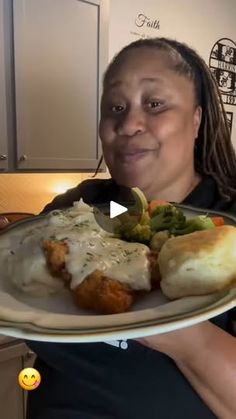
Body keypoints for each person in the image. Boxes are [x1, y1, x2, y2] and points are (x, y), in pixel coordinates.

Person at [26, 37, 236, 419]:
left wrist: (185, 336)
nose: (128, 124)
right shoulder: (81, 207)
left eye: (154, 104)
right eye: (115, 107)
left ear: (196, 120)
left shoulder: (227, 224)